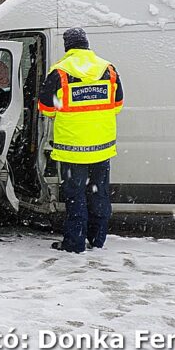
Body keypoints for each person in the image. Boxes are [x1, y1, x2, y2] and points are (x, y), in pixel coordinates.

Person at [38, 27, 124, 253]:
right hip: (101, 148)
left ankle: (75, 243)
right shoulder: (108, 69)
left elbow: (46, 108)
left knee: (75, 197)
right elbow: (117, 105)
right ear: (86, 44)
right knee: (99, 194)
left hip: (73, 149)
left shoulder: (60, 72)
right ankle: (97, 239)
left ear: (67, 46)